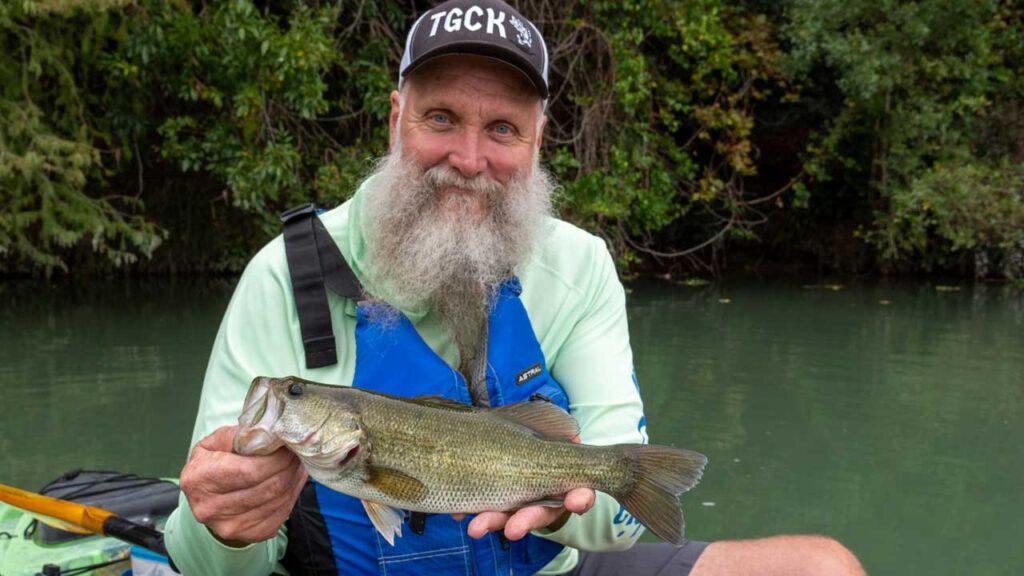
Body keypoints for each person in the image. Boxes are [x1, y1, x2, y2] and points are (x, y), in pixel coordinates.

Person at [164, 1, 866, 574]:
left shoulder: (579, 266)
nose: (469, 160)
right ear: (395, 118)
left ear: (538, 141)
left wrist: (566, 507)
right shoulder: (284, 276)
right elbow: (202, 564)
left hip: (548, 567)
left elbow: (622, 514)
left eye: (502, 128)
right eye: (441, 118)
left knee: (819, 567)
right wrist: (227, 529)